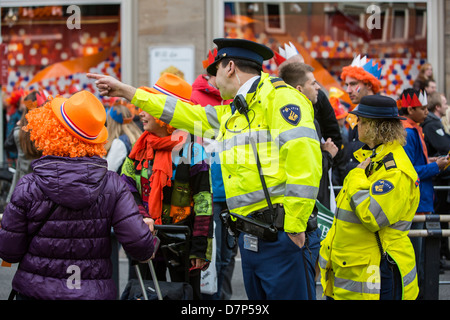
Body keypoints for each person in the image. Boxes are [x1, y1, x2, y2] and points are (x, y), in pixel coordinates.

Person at [88, 37, 322, 300]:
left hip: (281, 237)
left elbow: (306, 166)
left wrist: (294, 227)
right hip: (250, 238)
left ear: (230, 67)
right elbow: (184, 113)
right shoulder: (233, 112)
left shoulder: (281, 99)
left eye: (216, 70)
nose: (213, 79)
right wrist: (128, 92)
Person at [0, 91, 157, 300]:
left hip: (36, 292)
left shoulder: (29, 186)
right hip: (93, 293)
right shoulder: (113, 185)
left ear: (51, 129)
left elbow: (9, 252)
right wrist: (150, 238)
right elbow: (141, 248)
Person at [119, 73, 213, 300]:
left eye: (148, 107)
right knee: (146, 294)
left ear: (166, 114)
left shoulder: (193, 152)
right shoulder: (139, 148)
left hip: (184, 244)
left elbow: (203, 202)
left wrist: (200, 249)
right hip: (146, 241)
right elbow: (126, 186)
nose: (140, 113)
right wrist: (142, 218)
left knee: (188, 298)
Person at [319, 95, 420, 300]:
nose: (357, 126)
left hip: (378, 270)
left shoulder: (395, 170)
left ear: (376, 127)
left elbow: (373, 217)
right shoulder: (373, 158)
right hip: (357, 269)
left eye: (361, 121)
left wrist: (356, 176)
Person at [278, 61, 337, 300]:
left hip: (286, 214)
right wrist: (328, 155)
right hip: (301, 217)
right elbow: (306, 168)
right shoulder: (303, 118)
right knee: (302, 281)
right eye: (313, 83)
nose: (318, 89)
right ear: (300, 89)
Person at [192, 49, 236, 300]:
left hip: (236, 191)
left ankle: (224, 299)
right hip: (209, 190)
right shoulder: (194, 97)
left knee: (229, 256)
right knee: (211, 255)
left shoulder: (235, 99)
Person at [399, 88, 450, 294]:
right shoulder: (409, 132)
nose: (427, 112)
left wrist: (431, 163)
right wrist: (435, 167)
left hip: (421, 202)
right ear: (410, 109)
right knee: (416, 266)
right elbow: (409, 171)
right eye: (422, 108)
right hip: (416, 204)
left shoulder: (414, 129)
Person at [420, 91, 450, 267]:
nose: (447, 106)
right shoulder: (430, 125)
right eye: (445, 103)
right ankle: (435, 260)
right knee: (433, 222)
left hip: (434, 179)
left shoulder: (429, 124)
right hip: (433, 182)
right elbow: (445, 145)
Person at [340, 55, 383, 176]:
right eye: (347, 84)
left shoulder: (381, 113)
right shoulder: (355, 112)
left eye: (353, 84)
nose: (348, 90)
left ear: (369, 84)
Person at [6, 90, 45, 203]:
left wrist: (10, 198)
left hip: (23, 188)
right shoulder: (47, 134)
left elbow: (19, 168)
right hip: (43, 189)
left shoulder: (18, 132)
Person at [105, 99, 143, 173]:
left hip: (121, 183)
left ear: (111, 122)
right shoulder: (135, 137)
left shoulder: (119, 143)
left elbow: (108, 171)